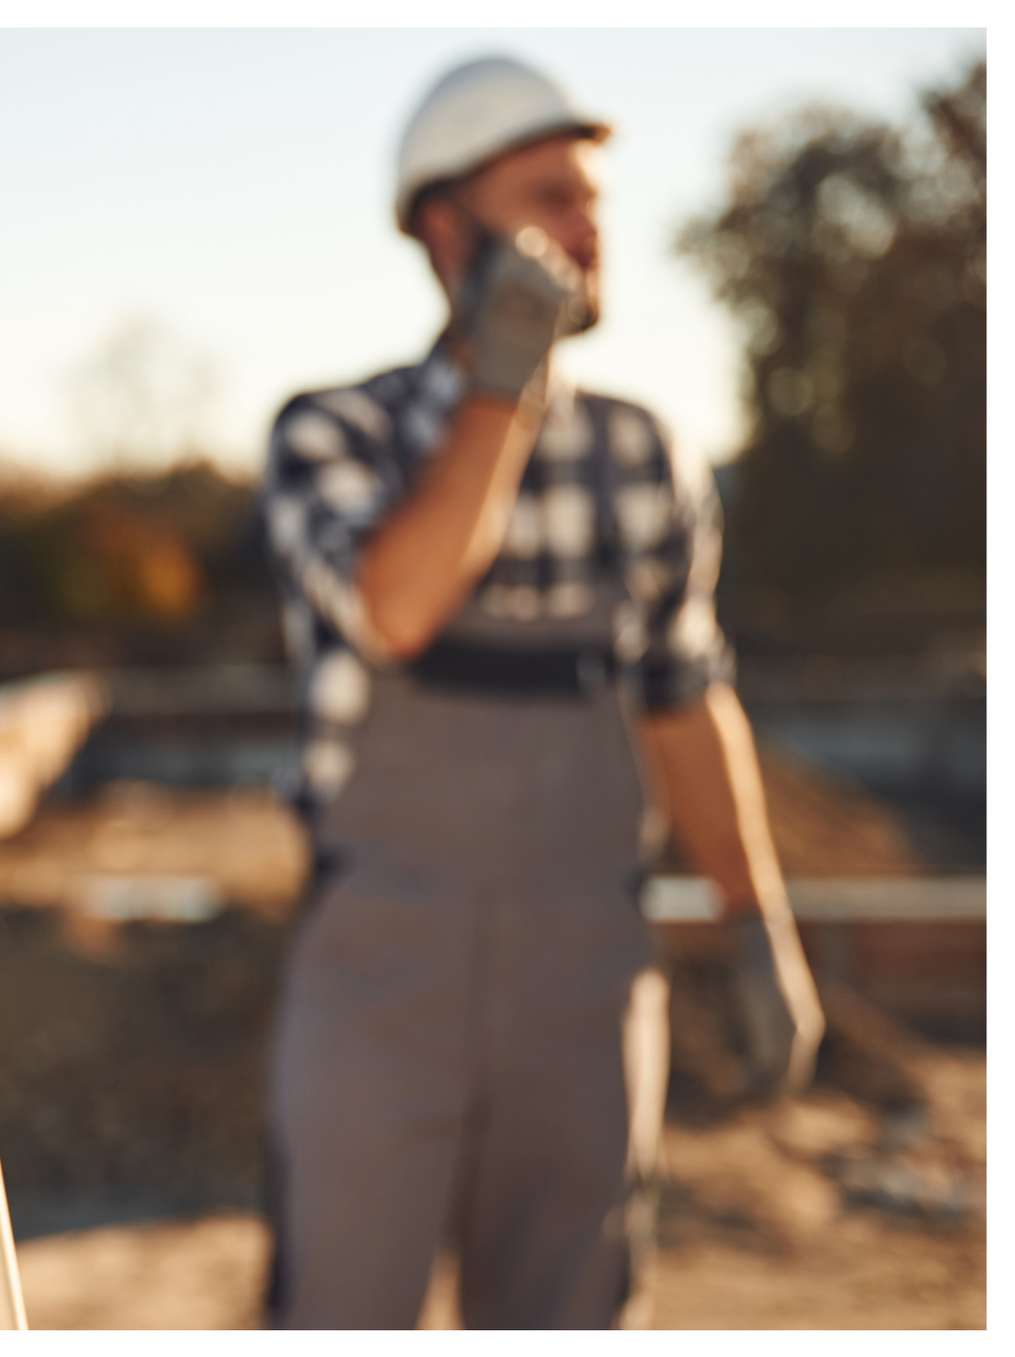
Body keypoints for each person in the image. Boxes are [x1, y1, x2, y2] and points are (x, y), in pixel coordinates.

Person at [259, 55, 824, 1329]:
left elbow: (685, 701)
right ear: (447, 229)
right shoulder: (334, 435)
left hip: (586, 972)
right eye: (551, 197)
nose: (588, 228)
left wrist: (755, 921)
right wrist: (498, 392)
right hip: (379, 970)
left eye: (594, 200)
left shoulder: (648, 453)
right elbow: (397, 609)